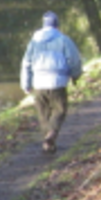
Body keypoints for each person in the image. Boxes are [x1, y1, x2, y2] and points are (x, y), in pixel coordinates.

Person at [21, 10, 83, 153]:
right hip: (58, 82)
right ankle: (52, 134)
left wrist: (26, 84)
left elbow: (26, 63)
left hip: (39, 84)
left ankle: (48, 143)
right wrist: (75, 75)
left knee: (43, 114)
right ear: (57, 26)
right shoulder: (63, 40)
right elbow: (74, 60)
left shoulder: (33, 42)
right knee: (59, 110)